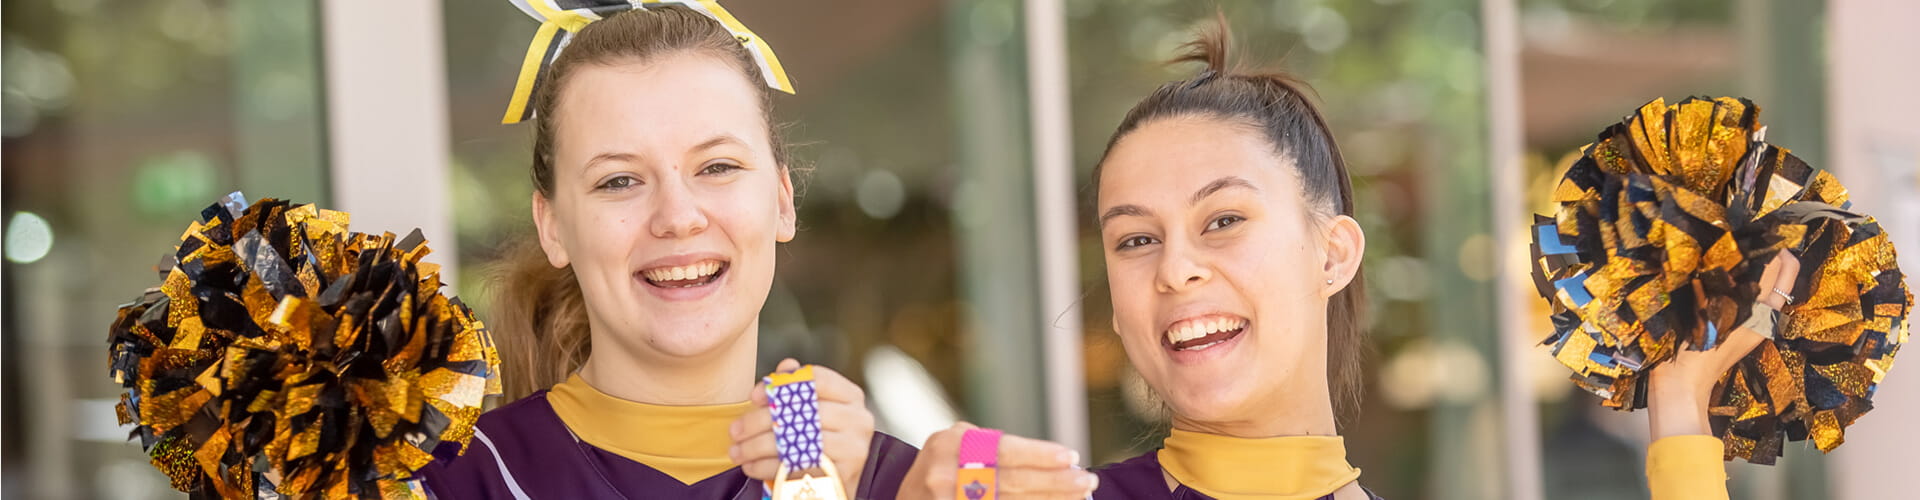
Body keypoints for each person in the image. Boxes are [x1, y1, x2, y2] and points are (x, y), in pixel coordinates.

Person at [417, 4, 915, 498]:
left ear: (783, 201)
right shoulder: (449, 484)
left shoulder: (905, 485)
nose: (678, 217)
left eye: (718, 167)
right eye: (619, 180)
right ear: (553, 227)